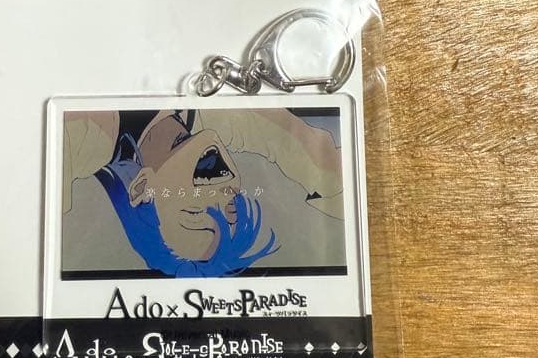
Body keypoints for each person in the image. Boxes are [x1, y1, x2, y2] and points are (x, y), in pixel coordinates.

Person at [61, 108, 345, 279]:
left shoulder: (81, 136)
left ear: (142, 187)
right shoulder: (216, 118)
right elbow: (309, 153)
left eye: (195, 211)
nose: (223, 191)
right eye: (229, 207)